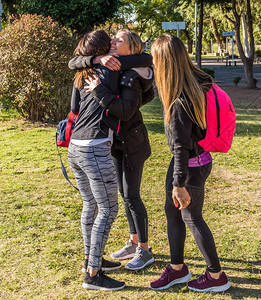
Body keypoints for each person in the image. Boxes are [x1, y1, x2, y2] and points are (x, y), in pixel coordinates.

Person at [149, 34, 231, 293]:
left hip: (188, 166)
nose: (152, 63)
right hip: (199, 160)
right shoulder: (199, 83)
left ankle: (216, 275)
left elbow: (181, 147)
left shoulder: (179, 102)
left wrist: (179, 183)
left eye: (154, 59)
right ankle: (177, 269)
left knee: (191, 217)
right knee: (173, 212)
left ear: (164, 63)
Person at [81, 29, 155, 271]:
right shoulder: (120, 69)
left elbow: (124, 110)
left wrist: (99, 91)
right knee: (125, 195)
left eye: (119, 39)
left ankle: (145, 249)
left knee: (132, 195)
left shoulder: (133, 75)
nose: (113, 41)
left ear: (131, 48)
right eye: (113, 37)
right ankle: (134, 242)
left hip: (132, 143)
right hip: (117, 142)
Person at [67, 29, 124, 291]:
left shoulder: (81, 74)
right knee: (108, 209)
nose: (116, 44)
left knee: (90, 205)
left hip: (75, 147)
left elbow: (75, 109)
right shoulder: (110, 69)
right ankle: (93, 274)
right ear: (103, 50)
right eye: (111, 42)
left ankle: (92, 259)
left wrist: (95, 60)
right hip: (94, 148)